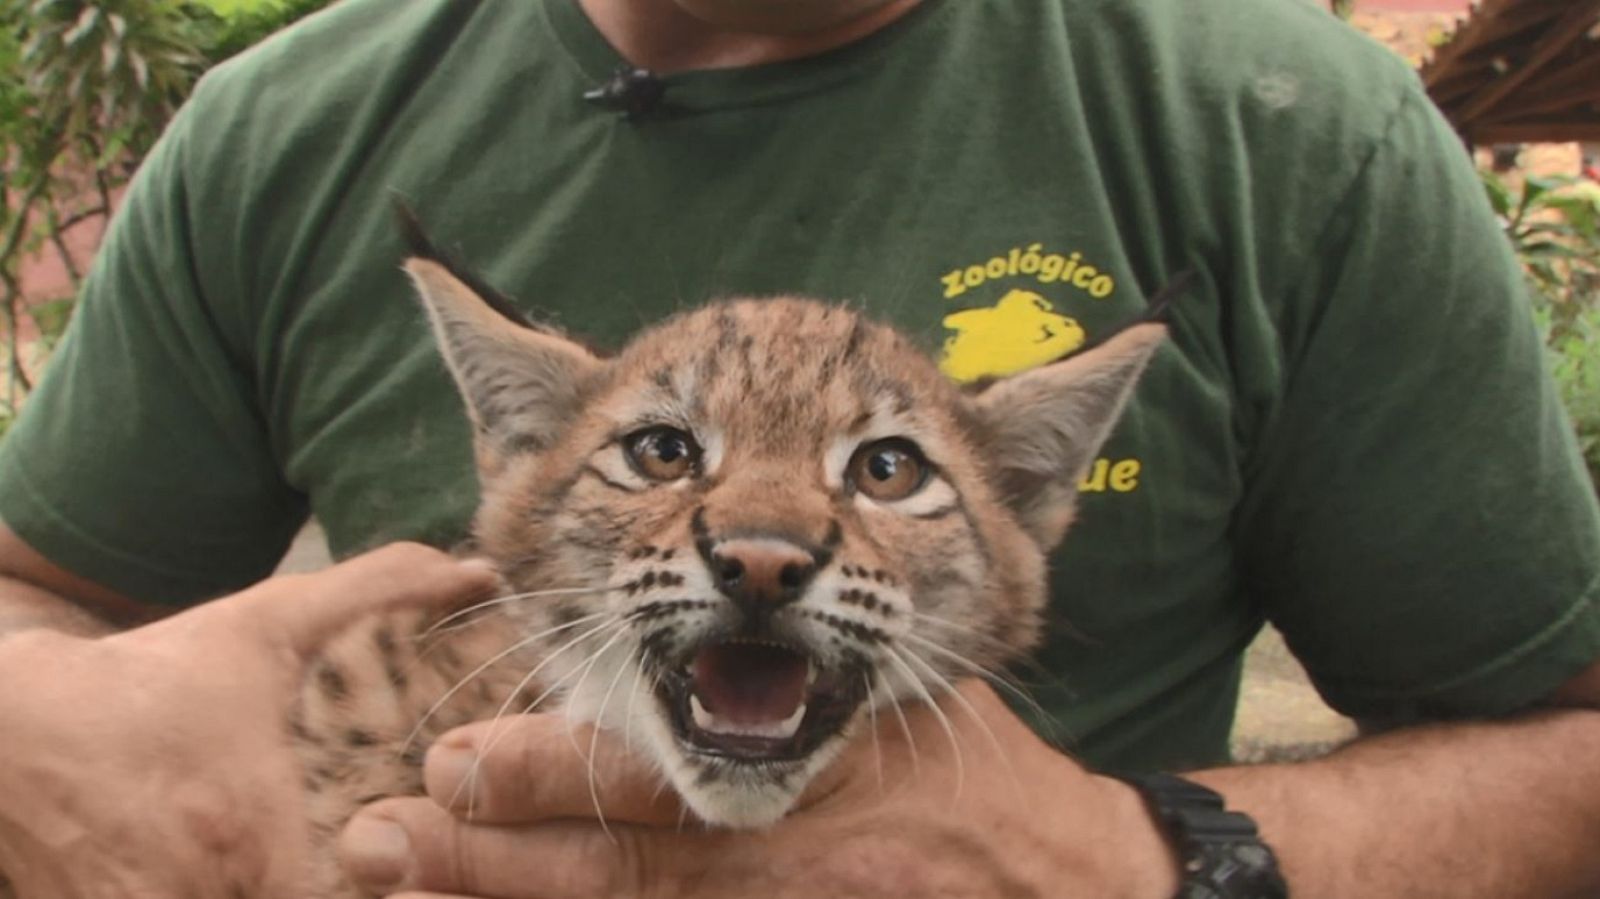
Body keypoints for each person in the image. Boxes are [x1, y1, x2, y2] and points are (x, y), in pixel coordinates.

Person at [1, 0, 1597, 895]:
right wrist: (49, 730)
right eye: (663, 458)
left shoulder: (1278, 127)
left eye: (887, 471)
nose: (762, 544)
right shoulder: (291, 124)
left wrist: (1134, 863)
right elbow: (30, 593)